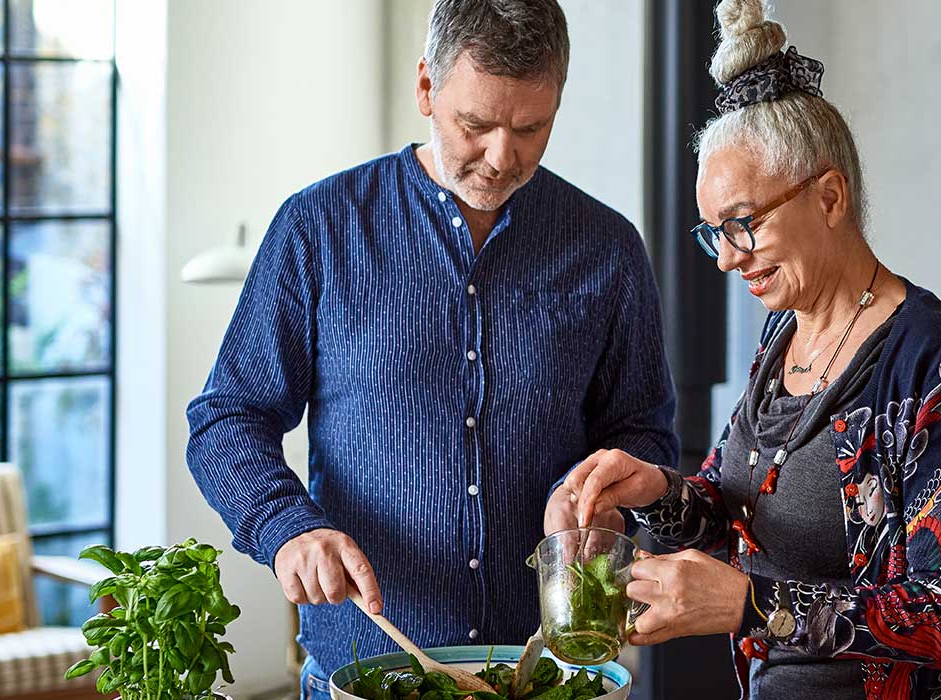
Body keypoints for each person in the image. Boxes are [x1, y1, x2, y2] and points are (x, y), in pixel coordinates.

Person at [184, 1, 674, 697]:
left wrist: (603, 495)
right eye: (475, 125)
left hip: (544, 673)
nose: (503, 157)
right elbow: (226, 417)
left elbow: (642, 433)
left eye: (532, 127)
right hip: (363, 670)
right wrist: (287, 527)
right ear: (425, 89)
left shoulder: (608, 248)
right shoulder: (318, 229)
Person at [559, 1, 941, 698]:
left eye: (743, 225)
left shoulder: (934, 360)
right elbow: (732, 504)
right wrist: (653, 489)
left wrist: (750, 605)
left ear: (829, 197)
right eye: (713, 235)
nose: (728, 260)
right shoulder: (783, 334)